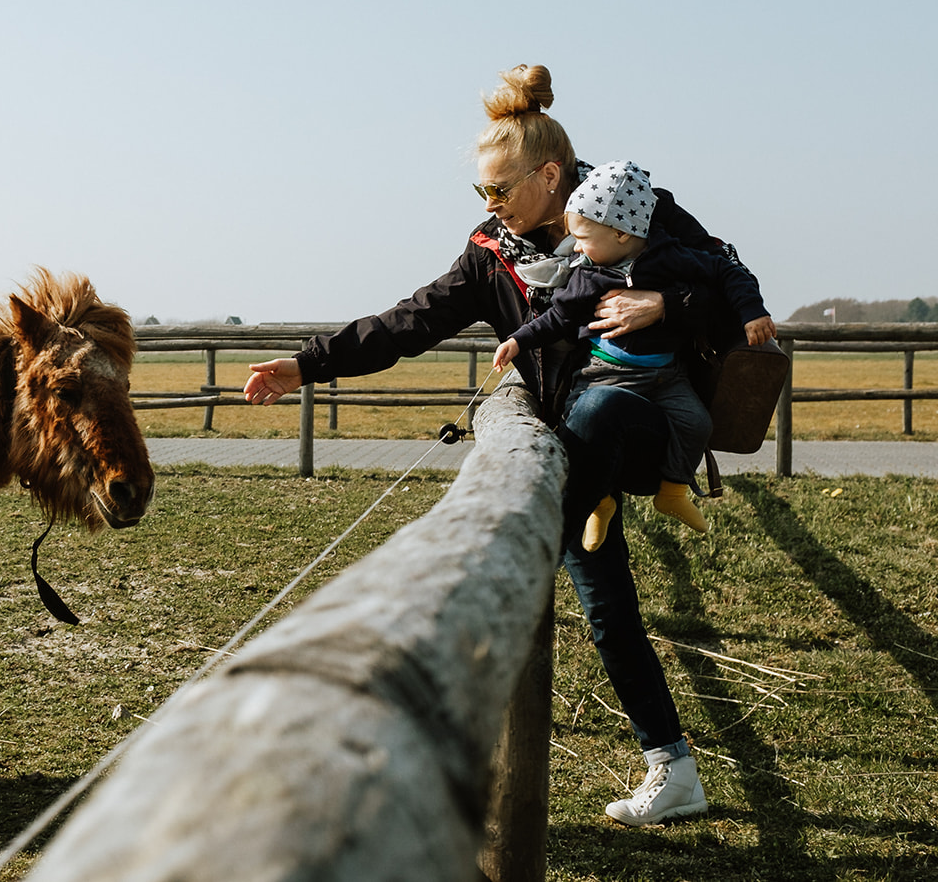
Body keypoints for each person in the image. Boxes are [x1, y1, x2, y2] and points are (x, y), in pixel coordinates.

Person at [244, 64, 752, 826]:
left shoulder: (629, 208)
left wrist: (664, 301)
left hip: (645, 423)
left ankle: (453, 639)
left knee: (602, 419)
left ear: (550, 176)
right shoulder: (492, 250)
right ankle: (673, 767)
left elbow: (730, 276)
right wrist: (304, 365)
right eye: (480, 191)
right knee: (609, 606)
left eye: (500, 188)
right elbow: (408, 322)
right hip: (572, 449)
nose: (489, 203)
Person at [491, 160, 776, 548]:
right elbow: (558, 316)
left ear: (622, 234)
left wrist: (752, 311)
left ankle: (673, 491)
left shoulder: (671, 256)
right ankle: (599, 502)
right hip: (600, 374)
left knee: (697, 424)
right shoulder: (588, 272)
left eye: (584, 236)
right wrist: (519, 340)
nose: (576, 246)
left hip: (665, 376)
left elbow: (728, 271)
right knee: (584, 434)